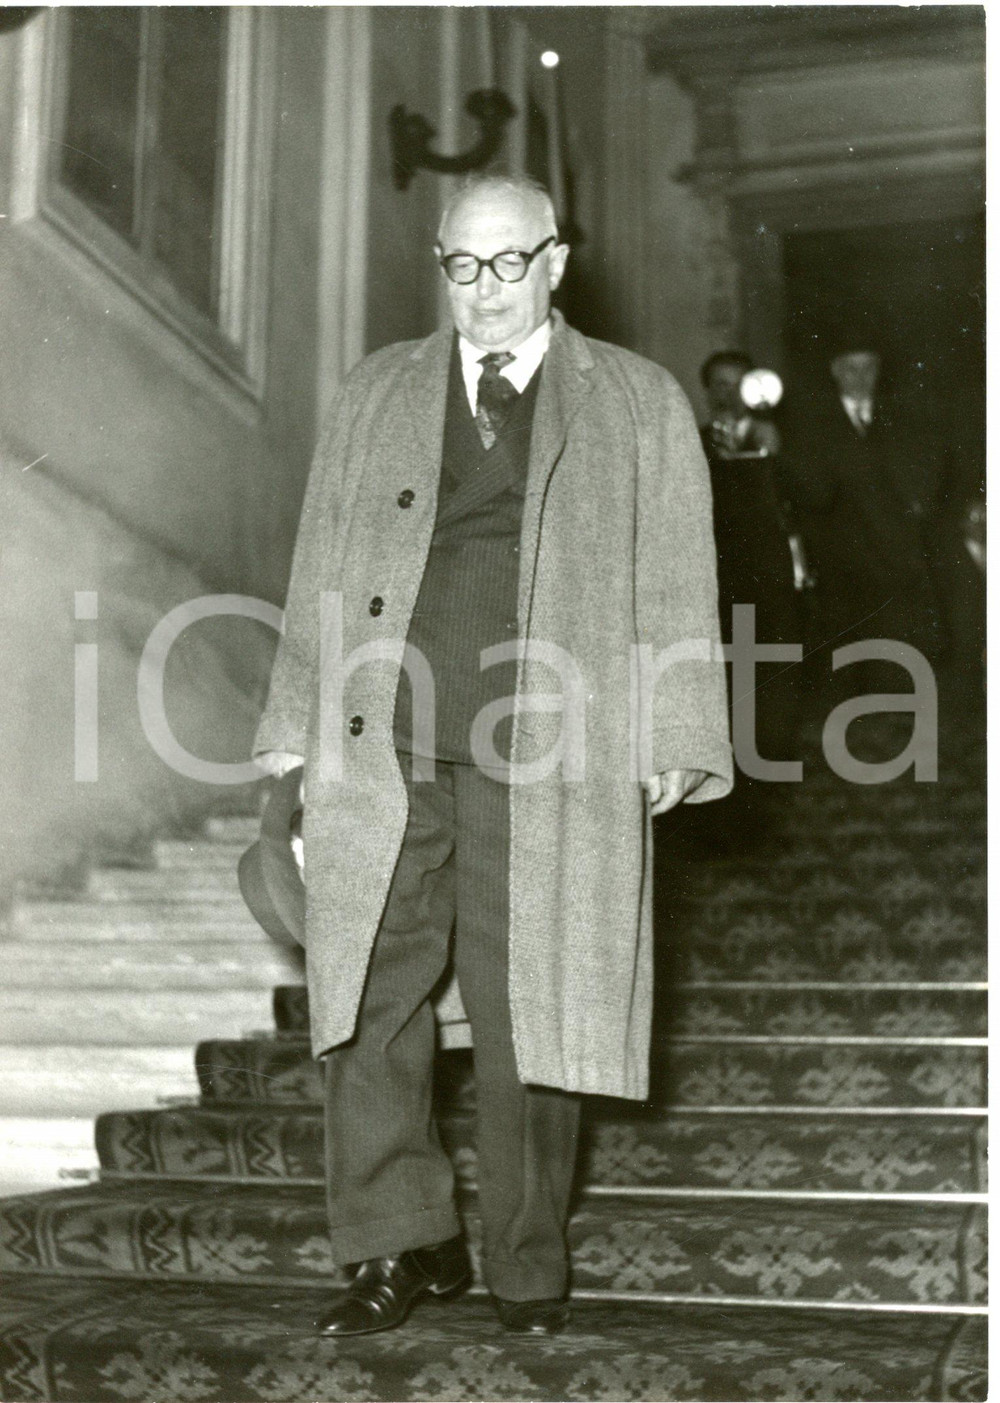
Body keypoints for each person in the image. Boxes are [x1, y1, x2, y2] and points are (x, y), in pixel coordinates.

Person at [252, 173, 731, 1339]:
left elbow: (674, 574)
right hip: (387, 744)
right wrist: (291, 735)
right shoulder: (378, 388)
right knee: (366, 994)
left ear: (556, 263)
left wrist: (675, 730)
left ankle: (525, 1262)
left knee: (538, 1010)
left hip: (551, 750)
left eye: (509, 263)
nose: (483, 292)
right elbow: (321, 562)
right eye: (460, 266)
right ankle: (395, 1245)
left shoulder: (635, 397)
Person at [781, 340, 944, 705]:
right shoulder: (812, 425)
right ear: (835, 372)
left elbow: (923, 478)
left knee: (894, 668)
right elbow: (811, 490)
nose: (861, 378)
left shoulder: (901, 420)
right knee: (844, 668)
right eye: (851, 369)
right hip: (839, 563)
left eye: (868, 368)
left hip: (894, 560)